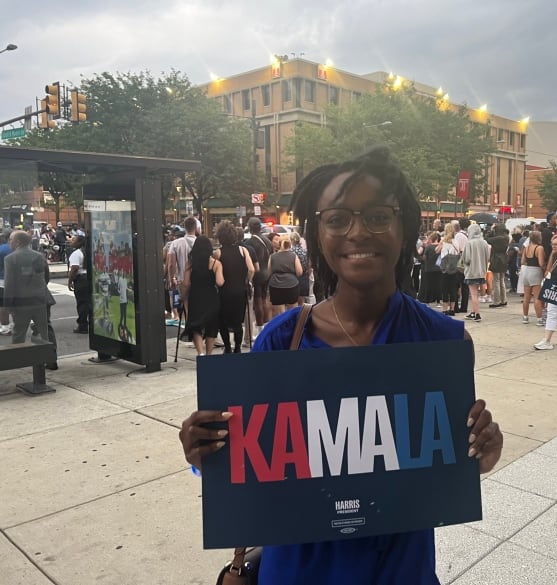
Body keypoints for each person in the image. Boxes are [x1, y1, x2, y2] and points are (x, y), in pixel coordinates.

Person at [179, 148, 503, 583]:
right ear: (318, 232)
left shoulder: (443, 342)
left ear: (403, 226)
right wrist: (203, 450)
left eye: (376, 216)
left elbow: (448, 466)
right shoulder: (280, 341)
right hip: (295, 573)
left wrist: (481, 451)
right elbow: (243, 465)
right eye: (337, 219)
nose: (357, 232)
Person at [214, 220, 254, 353]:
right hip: (240, 290)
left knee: (223, 321)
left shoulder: (218, 253)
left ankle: (227, 347)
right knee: (238, 322)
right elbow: (252, 269)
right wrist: (248, 280)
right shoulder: (243, 250)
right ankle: (237, 347)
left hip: (224, 291)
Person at [180, 236, 224, 356]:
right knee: (212, 326)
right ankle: (209, 354)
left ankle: (200, 353)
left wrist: (183, 296)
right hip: (211, 296)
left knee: (196, 324)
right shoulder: (216, 264)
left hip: (196, 296)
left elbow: (186, 283)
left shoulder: (190, 264)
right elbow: (220, 282)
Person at [4, 230, 49, 347]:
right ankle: (49, 359)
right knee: (44, 332)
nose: (9, 242)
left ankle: (19, 361)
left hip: (21, 302)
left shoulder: (11, 258)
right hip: (39, 300)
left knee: (19, 334)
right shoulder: (39, 256)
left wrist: (8, 304)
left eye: (11, 240)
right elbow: (46, 277)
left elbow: (9, 284)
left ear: (17, 242)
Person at [243, 217, 274, 326]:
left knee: (257, 302)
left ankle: (260, 325)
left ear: (250, 228)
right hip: (267, 273)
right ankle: (266, 324)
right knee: (265, 300)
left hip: (257, 274)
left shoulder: (250, 242)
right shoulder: (268, 241)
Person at [167, 218, 198, 327]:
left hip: (181, 280)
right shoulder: (200, 242)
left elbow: (171, 264)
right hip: (198, 279)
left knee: (187, 305)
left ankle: (191, 330)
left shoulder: (175, 243)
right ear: (196, 228)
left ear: (185, 227)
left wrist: (172, 279)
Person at [268, 238, 303, 317]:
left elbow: (269, 272)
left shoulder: (272, 256)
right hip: (292, 285)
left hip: (275, 286)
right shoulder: (293, 256)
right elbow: (299, 272)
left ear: (279, 244)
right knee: (292, 312)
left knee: (279, 314)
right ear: (289, 244)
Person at [462, 224, 490, 322]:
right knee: (477, 292)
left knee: (473, 294)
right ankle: (474, 312)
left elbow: (467, 259)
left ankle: (477, 314)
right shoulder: (484, 243)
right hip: (481, 270)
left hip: (471, 271)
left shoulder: (469, 243)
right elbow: (487, 257)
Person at [521, 230, 546, 325]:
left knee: (526, 297)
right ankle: (539, 319)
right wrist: (545, 268)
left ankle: (525, 317)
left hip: (526, 271)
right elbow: (541, 263)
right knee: (537, 297)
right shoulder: (539, 248)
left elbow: (523, 261)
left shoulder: (526, 248)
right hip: (535, 271)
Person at [67, 234, 90, 333]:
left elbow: (74, 268)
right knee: (88, 302)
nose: (71, 241)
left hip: (81, 280)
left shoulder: (76, 253)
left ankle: (82, 325)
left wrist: (70, 281)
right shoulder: (86, 252)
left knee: (82, 303)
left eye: (73, 240)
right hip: (88, 278)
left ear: (79, 242)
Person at [437, 223, 460, 316]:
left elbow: (437, 251)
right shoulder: (456, 241)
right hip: (454, 268)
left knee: (444, 288)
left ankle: (445, 309)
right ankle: (452, 309)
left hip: (445, 268)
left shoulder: (443, 241)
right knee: (453, 288)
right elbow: (459, 252)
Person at [486, 225, 509, 308]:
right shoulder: (506, 238)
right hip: (504, 258)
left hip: (496, 259)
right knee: (502, 280)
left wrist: (490, 232)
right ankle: (504, 300)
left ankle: (496, 301)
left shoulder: (497, 238)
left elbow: (487, 239)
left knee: (496, 280)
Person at [289, 232, 311, 305]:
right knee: (302, 301)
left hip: (294, 276)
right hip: (304, 276)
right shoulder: (305, 251)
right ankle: (302, 315)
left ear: (291, 240)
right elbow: (309, 265)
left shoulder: (291, 252)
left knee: (293, 302)